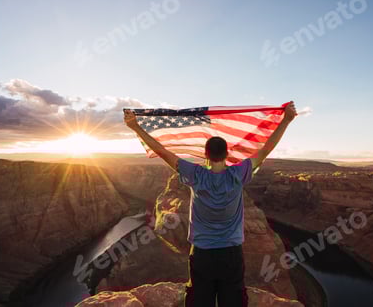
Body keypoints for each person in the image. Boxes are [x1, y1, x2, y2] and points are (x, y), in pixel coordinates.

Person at [124, 101, 298, 307]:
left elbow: (162, 151)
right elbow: (266, 148)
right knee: (233, 301)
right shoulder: (238, 174)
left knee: (200, 300)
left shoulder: (196, 175)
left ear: (206, 154)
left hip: (202, 253)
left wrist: (135, 127)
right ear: (227, 155)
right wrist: (286, 120)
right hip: (231, 254)